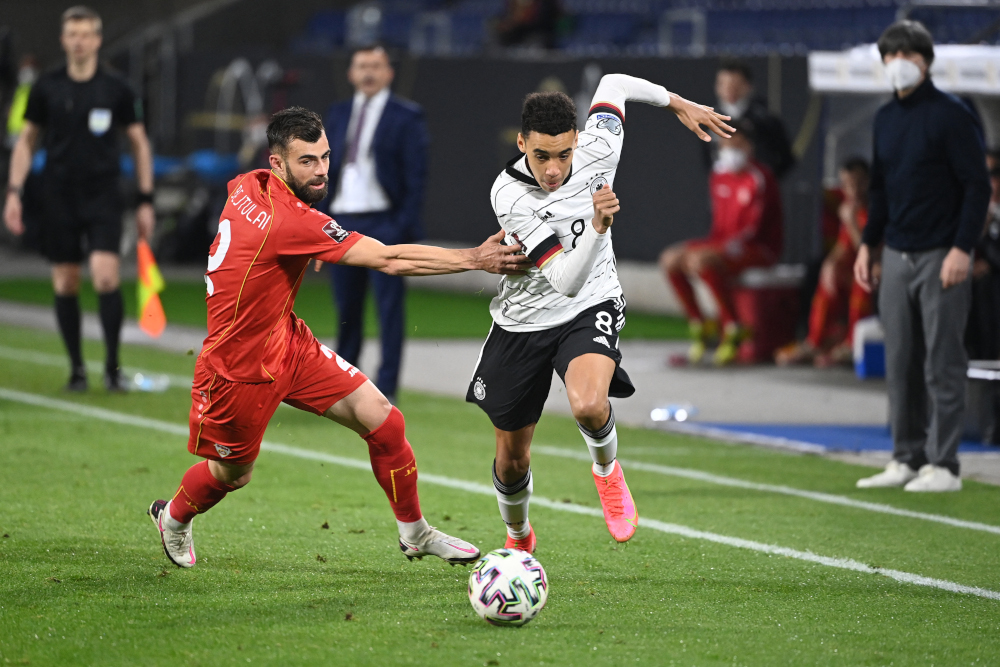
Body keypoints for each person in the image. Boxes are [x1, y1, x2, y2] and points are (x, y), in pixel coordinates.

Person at [148, 107, 529, 569]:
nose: (322, 169)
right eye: (307, 161)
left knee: (384, 420)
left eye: (326, 157)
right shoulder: (290, 223)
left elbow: (266, 225)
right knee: (232, 474)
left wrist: (310, 242)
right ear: (278, 163)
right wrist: (474, 258)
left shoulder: (249, 183)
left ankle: (415, 533)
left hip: (287, 341)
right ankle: (173, 516)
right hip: (239, 367)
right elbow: (389, 259)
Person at [467, 76, 732, 552]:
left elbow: (615, 83)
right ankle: (519, 537)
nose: (554, 168)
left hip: (590, 302)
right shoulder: (508, 196)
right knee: (511, 460)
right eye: (542, 156)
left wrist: (677, 103)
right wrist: (597, 225)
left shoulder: (600, 145)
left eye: (564, 155)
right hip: (524, 318)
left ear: (577, 142)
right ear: (522, 143)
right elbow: (561, 277)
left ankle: (607, 473)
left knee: (589, 404)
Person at [854, 20, 990, 492]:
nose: (898, 64)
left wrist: (962, 248)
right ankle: (906, 457)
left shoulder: (953, 114)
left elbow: (978, 186)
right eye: (890, 55)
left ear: (925, 62)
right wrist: (869, 244)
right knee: (901, 359)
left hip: (941, 254)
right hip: (896, 251)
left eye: (907, 55)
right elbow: (881, 190)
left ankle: (945, 465)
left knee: (942, 361)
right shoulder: (885, 118)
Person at [3, 6, 155, 392]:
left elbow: (139, 144)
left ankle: (112, 367)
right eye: (73, 34)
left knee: (106, 276)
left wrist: (145, 199)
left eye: (87, 34)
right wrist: (14, 192)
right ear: (63, 40)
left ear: (97, 40)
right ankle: (76, 370)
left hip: (103, 193)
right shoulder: (46, 86)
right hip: (58, 194)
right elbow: (27, 141)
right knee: (66, 281)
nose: (80, 41)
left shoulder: (117, 88)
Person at [320, 45, 427, 404]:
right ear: (350, 72)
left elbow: (417, 177)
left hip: (384, 222)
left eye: (376, 66)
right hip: (342, 221)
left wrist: (401, 226)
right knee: (346, 309)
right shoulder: (336, 114)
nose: (368, 72)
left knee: (389, 310)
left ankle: (386, 388)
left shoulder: (406, 116)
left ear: (389, 73)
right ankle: (343, 385)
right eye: (361, 65)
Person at [659, 121, 783, 366]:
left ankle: (733, 326)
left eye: (735, 144)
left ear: (748, 146)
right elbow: (718, 227)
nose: (728, 149)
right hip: (721, 243)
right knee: (670, 259)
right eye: (725, 144)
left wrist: (716, 250)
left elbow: (752, 231)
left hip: (758, 249)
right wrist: (713, 247)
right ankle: (701, 324)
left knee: (702, 260)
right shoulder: (718, 176)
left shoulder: (760, 177)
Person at [776, 158, 873, 367]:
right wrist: (830, 265)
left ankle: (851, 345)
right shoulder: (849, 207)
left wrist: (851, 221)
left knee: (861, 283)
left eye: (859, 183)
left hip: (874, 272)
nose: (853, 189)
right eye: (847, 184)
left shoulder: (874, 209)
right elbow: (842, 247)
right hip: (853, 270)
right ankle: (815, 341)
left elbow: (867, 251)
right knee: (826, 277)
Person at [713, 59, 794, 180]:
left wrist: (767, 179)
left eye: (735, 85)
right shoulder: (709, 120)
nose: (729, 90)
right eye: (723, 84)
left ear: (748, 86)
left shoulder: (765, 120)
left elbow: (786, 158)